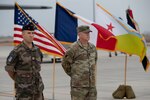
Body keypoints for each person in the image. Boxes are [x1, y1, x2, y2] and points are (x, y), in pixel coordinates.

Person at [5, 23, 44, 100]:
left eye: (33, 33)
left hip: (38, 90)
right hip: (24, 92)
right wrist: (20, 80)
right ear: (22, 34)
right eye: (28, 33)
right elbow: (10, 69)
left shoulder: (37, 50)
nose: (31, 35)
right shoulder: (17, 51)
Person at [62, 25, 98, 100]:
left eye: (89, 33)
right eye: (85, 33)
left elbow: (95, 61)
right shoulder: (73, 48)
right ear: (79, 34)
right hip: (78, 87)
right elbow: (65, 63)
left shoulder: (92, 47)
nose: (88, 35)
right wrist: (75, 74)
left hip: (91, 86)